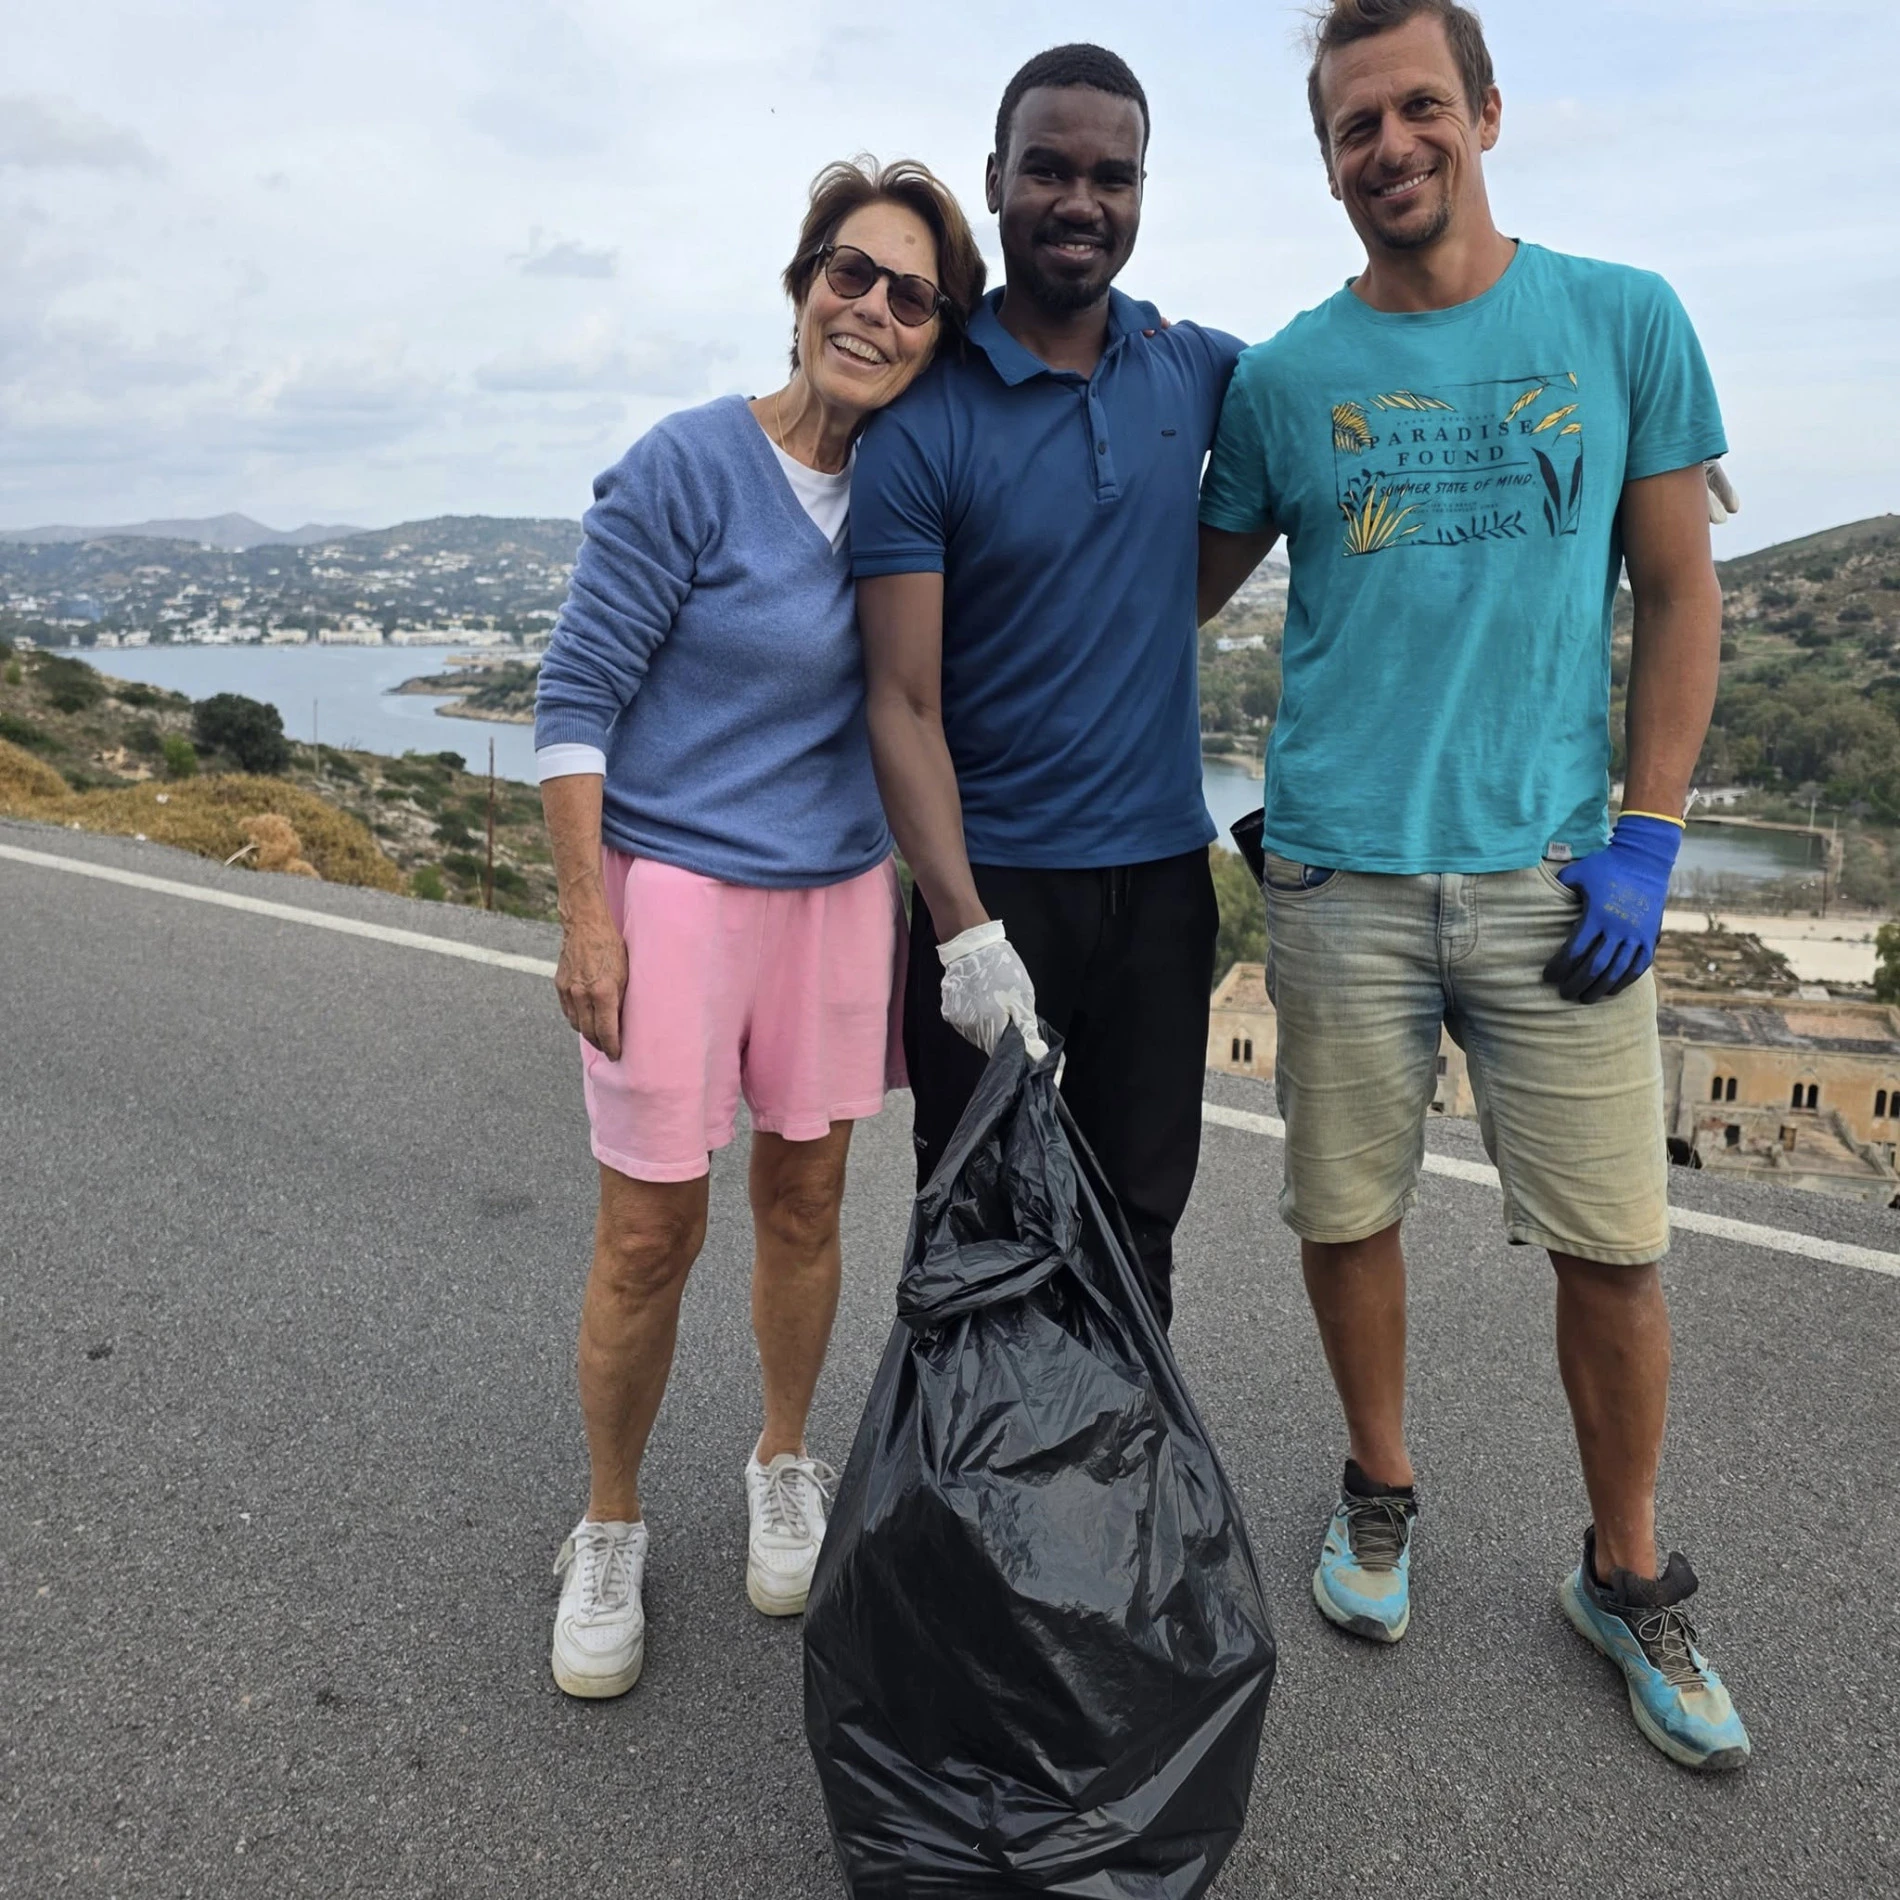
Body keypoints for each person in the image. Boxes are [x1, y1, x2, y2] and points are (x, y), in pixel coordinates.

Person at [1197, 0, 1750, 1770]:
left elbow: (1680, 591)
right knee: (1344, 1212)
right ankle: (1380, 1487)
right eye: (1354, 126)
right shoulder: (1287, 377)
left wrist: (1651, 837)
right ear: (1328, 162)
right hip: (1339, 875)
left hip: (1553, 878)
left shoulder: (1621, 320)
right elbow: (1164, 600)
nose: (1391, 147)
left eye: (1419, 107)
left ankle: (1627, 1571)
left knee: (1618, 1250)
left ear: (1489, 114)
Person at [532, 158, 984, 1700]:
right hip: (675, 891)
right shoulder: (688, 465)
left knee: (806, 1204)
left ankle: (782, 1460)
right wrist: (587, 916)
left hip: (839, 897)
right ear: (802, 287)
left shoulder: (915, 492)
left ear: (937, 333)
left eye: (911, 294)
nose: (873, 310)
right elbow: (574, 700)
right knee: (648, 1233)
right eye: (851, 273)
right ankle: (609, 1522)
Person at [854, 44, 1244, 1329]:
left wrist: (1610, 433)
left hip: (1162, 886)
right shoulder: (924, 417)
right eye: (1048, 170)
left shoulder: (1190, 367)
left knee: (1138, 1222)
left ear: (1139, 193)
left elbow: (1354, 383)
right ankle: (969, 1470)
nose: (1081, 201)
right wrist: (962, 931)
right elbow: (900, 701)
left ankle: (1121, 1462)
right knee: (978, 1225)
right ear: (996, 180)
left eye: (1111, 177)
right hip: (997, 888)